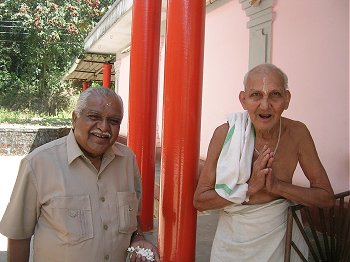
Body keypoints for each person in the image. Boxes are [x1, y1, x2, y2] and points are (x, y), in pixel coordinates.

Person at [193, 64, 335, 261]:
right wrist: (249, 189)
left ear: (287, 99)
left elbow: (326, 198)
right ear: (243, 100)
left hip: (282, 242)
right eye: (256, 95)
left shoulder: (297, 133)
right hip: (234, 245)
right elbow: (200, 200)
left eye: (275, 94)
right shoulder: (225, 134)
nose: (265, 105)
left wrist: (277, 186)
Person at [0, 87, 160, 262]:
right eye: (94, 117)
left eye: (113, 121)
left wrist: (138, 237)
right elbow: (18, 235)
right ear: (75, 119)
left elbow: (133, 214)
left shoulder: (127, 160)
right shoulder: (38, 164)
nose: (103, 127)